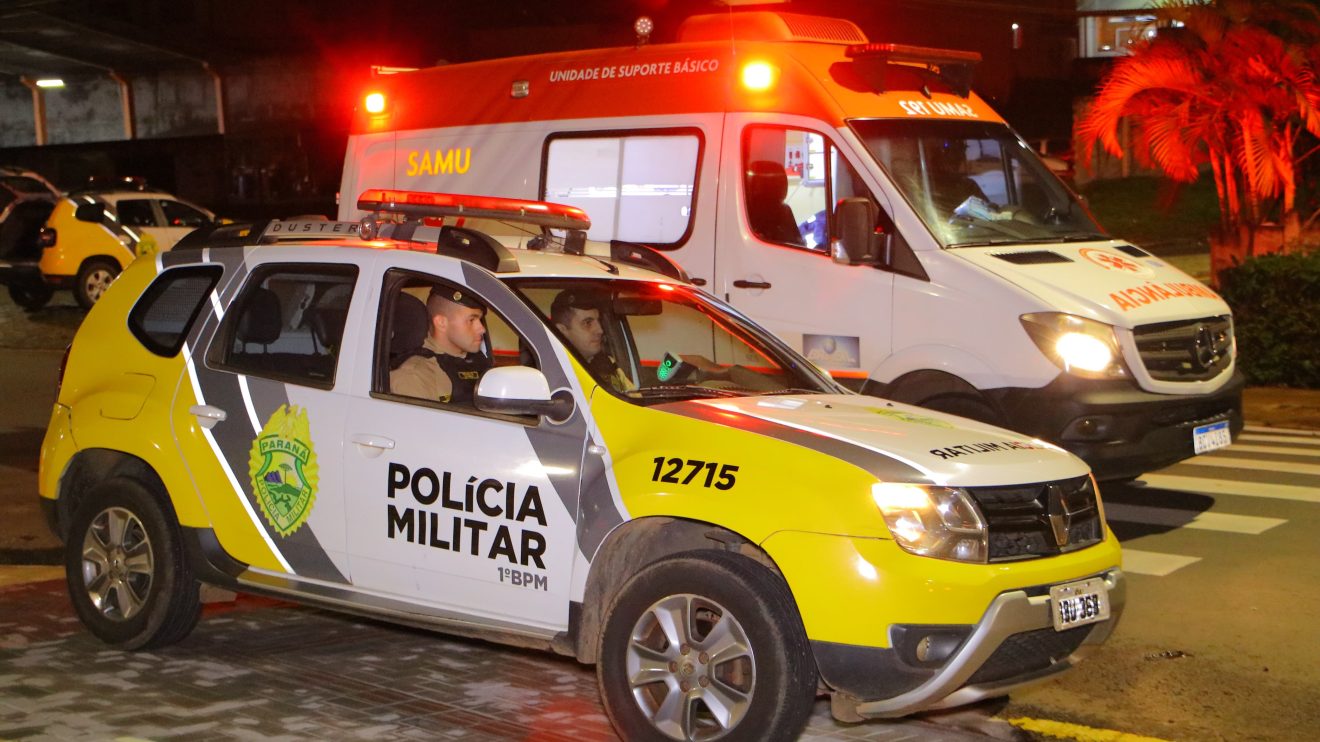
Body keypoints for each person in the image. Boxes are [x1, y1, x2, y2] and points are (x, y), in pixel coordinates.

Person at [390, 286, 490, 404]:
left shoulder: (480, 362)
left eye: (480, 320)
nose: (482, 329)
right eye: (472, 320)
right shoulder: (414, 376)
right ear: (441, 323)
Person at [550, 290, 634, 392]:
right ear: (562, 331)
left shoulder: (607, 365)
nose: (600, 330)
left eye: (598, 321)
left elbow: (633, 398)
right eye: (587, 323)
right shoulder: (549, 373)